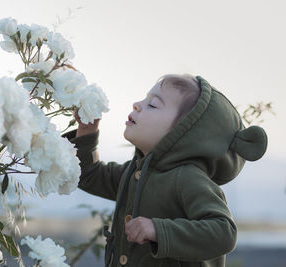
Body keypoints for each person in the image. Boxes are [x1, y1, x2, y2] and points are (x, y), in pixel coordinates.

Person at [62, 74, 268, 267]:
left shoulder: (188, 179)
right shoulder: (135, 172)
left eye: (152, 104)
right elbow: (89, 175)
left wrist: (158, 230)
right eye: (145, 99)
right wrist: (87, 133)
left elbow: (224, 233)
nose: (138, 104)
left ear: (182, 133)